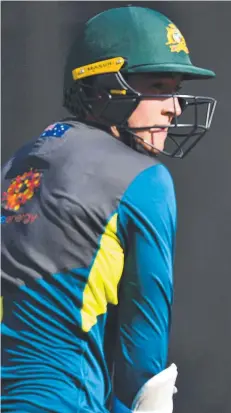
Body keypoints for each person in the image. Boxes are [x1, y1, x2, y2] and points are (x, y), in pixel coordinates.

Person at [1, 5, 216, 413]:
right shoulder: (144, 180)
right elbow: (143, 367)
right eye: (157, 85)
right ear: (102, 87)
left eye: (175, 88)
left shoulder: (16, 162)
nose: (173, 107)